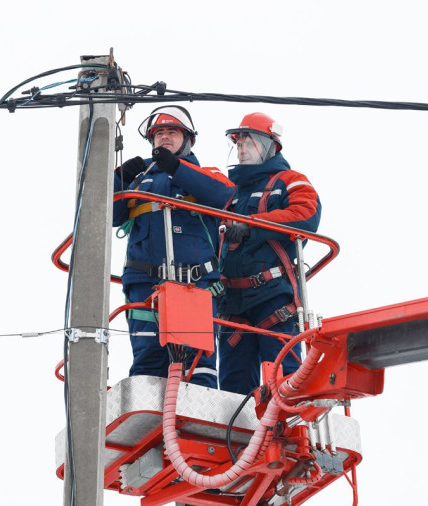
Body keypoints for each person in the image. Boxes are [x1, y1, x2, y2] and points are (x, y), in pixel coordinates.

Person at [112, 106, 234, 388]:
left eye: (172, 132)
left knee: (198, 365)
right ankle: (154, 425)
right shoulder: (138, 179)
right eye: (159, 133)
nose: (164, 137)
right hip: (145, 283)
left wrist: (175, 168)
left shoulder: (207, 174)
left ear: (188, 139)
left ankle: (197, 425)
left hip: (194, 284)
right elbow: (108, 215)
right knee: (147, 363)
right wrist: (119, 178)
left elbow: (223, 196)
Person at [218, 112, 321, 395]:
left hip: (272, 297)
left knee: (286, 378)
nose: (241, 149)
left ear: (270, 145)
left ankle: (288, 427)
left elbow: (306, 215)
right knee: (231, 389)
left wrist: (252, 227)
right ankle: (239, 438)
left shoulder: (290, 180)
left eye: (248, 142)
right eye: (238, 144)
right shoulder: (232, 195)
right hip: (232, 303)